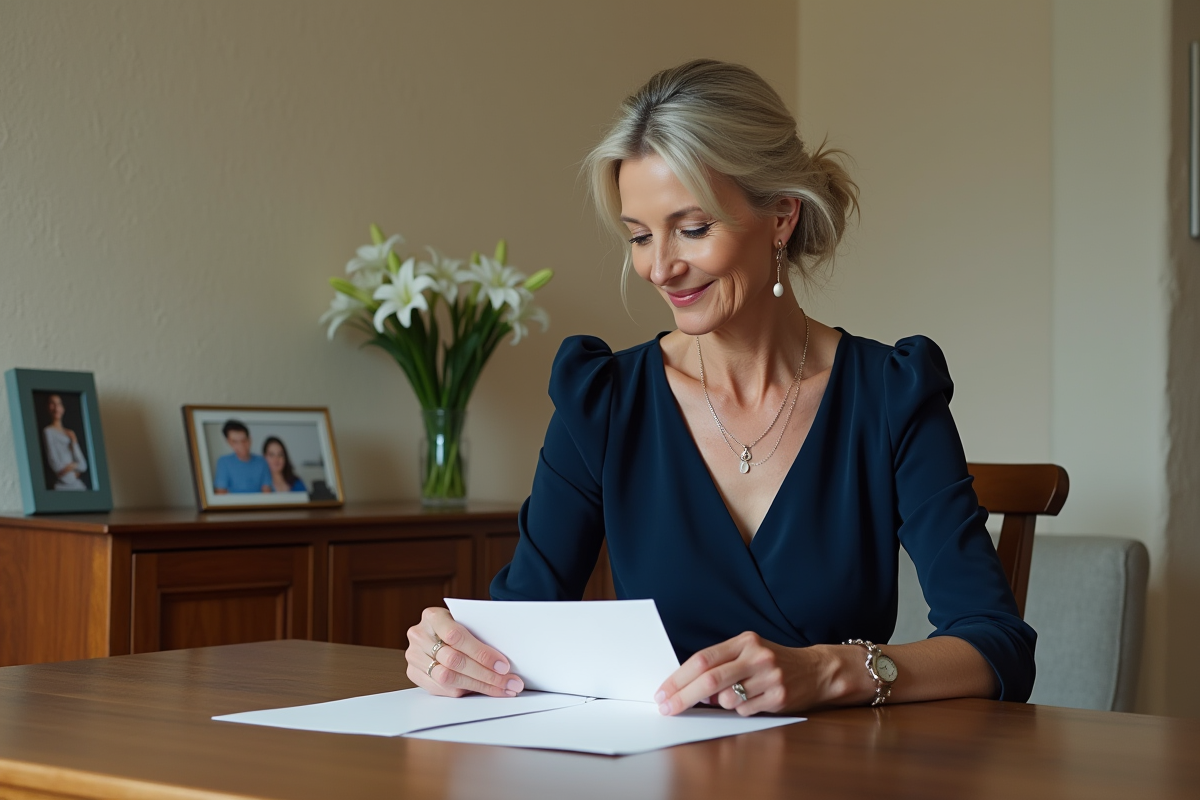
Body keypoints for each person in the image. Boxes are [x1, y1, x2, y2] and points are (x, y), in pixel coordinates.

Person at [404, 60, 1036, 716]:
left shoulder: (892, 396)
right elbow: (519, 627)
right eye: (640, 237)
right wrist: (451, 650)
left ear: (782, 217)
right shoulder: (604, 400)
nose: (660, 266)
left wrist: (828, 670)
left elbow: (996, 645)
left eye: (693, 228)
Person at [41, 394, 89, 491]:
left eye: (59, 404)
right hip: (62, 486)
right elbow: (55, 465)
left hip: (77, 485)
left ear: (63, 408)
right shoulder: (48, 432)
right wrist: (74, 467)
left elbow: (83, 465)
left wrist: (70, 467)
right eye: (52, 403)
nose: (56, 408)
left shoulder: (70, 433)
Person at [212, 420, 271, 494]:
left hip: (258, 505)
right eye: (235, 442)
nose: (241, 446)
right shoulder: (223, 462)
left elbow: (267, 492)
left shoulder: (261, 461)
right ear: (229, 442)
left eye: (243, 441)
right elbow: (221, 493)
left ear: (249, 439)